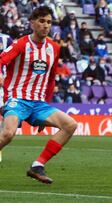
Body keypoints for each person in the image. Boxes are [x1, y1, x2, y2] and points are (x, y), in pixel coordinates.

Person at [0, 6, 78, 184]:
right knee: (8, 134)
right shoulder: (21, 44)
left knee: (70, 125)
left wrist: (47, 106)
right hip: (17, 99)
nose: (46, 25)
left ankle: (37, 166)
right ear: (32, 23)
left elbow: (51, 79)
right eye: (42, 21)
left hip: (38, 104)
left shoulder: (54, 48)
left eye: (49, 22)